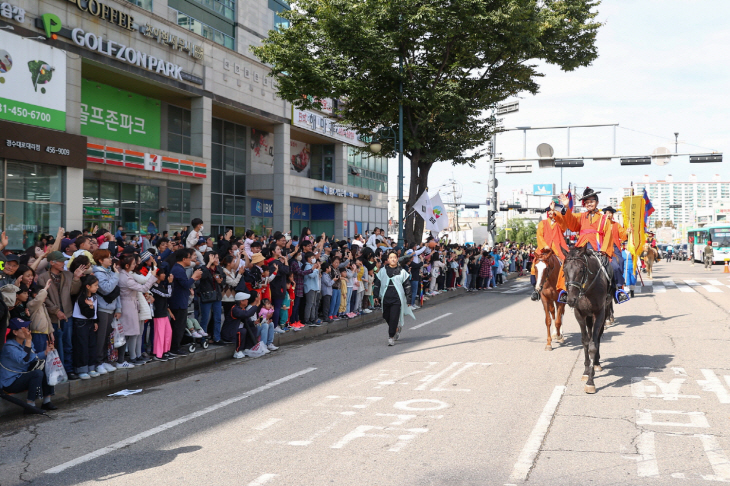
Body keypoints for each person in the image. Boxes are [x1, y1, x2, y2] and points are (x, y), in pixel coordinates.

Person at [554, 187, 629, 304]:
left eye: (592, 201)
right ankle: (565, 290)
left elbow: (608, 235)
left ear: (597, 202)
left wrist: (604, 250)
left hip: (598, 248)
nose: (589, 204)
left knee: (615, 265)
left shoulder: (604, 218)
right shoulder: (581, 216)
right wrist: (566, 207)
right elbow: (572, 224)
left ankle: (618, 291)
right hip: (582, 247)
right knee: (568, 263)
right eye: (587, 202)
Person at [36, 251, 85, 379]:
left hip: (67, 315)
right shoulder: (43, 277)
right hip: (52, 317)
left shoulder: (68, 275)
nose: (63, 263)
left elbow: (73, 292)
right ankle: (57, 372)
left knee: (68, 345)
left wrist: (76, 278)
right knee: (54, 345)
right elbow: (43, 297)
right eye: (61, 261)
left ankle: (68, 370)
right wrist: (55, 310)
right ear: (52, 262)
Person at [0, 318, 57, 412]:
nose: (27, 330)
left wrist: (45, 353)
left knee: (45, 366)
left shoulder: (26, 343)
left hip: (22, 375)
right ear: (15, 332)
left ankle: (47, 402)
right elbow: (24, 360)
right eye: (24, 329)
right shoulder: (8, 347)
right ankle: (30, 406)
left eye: (27, 327)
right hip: (11, 382)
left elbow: (33, 358)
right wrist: (28, 341)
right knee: (37, 373)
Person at [117, 254, 158, 367]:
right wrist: (152, 276)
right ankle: (132, 357)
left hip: (131, 303)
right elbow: (143, 288)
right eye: (133, 263)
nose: (136, 265)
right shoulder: (126, 277)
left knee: (134, 332)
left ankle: (135, 356)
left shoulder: (125, 275)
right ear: (127, 265)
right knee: (131, 332)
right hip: (128, 305)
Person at [374, 250, 414, 346]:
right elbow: (377, 284)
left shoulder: (402, 272)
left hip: (397, 298)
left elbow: (407, 286)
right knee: (386, 316)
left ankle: (391, 336)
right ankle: (396, 329)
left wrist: (409, 299)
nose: (393, 259)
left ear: (397, 259)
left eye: (394, 257)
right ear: (388, 259)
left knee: (394, 317)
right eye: (391, 257)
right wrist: (375, 296)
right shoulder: (382, 271)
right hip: (386, 298)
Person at [92, 249, 121, 375]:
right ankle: (98, 362)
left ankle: (104, 360)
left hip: (111, 308)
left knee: (107, 337)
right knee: (100, 337)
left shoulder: (110, 272)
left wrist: (119, 308)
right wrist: (116, 275)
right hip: (102, 309)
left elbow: (117, 291)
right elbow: (107, 289)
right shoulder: (98, 273)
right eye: (108, 258)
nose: (111, 260)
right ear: (100, 260)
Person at [530, 206, 568, 301]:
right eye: (550, 211)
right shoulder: (542, 223)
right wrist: (544, 245)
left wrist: (556, 213)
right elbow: (539, 236)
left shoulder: (559, 223)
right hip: (544, 249)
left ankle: (565, 290)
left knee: (566, 264)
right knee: (535, 265)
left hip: (558, 249)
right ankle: (536, 289)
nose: (551, 212)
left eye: (553, 211)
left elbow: (564, 226)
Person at [169, 249, 203, 356]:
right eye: (189, 258)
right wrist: (193, 277)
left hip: (180, 301)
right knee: (178, 326)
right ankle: (175, 348)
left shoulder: (179, 268)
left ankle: (177, 345)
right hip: (178, 302)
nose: (191, 260)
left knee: (179, 325)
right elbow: (186, 284)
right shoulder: (178, 269)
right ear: (184, 259)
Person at [72, 275, 100, 379]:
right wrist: (91, 307)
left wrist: (96, 321)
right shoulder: (81, 297)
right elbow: (87, 313)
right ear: (88, 286)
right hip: (81, 323)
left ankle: (91, 367)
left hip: (90, 322)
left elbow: (95, 312)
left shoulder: (94, 296)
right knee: (82, 346)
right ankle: (81, 369)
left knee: (91, 345)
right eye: (95, 285)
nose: (97, 287)